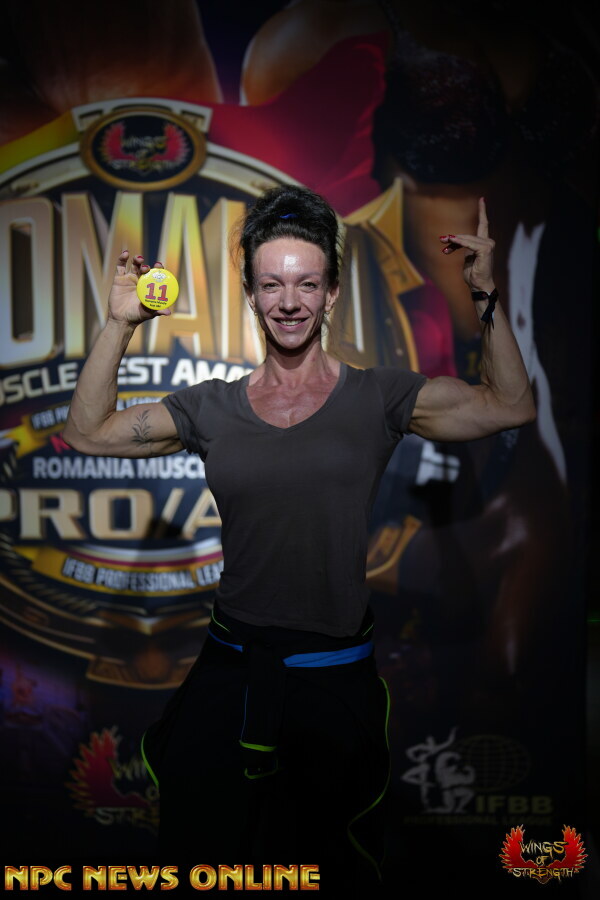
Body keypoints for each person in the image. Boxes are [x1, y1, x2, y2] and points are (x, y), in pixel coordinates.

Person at [63, 185, 534, 890]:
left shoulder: (380, 397)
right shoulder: (210, 407)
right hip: (231, 671)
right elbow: (89, 432)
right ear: (251, 296)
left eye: (307, 284)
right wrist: (119, 324)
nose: (289, 301)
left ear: (332, 293)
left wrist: (486, 297)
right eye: (272, 284)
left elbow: (510, 405)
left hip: (332, 678)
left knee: (327, 867)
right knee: (208, 857)